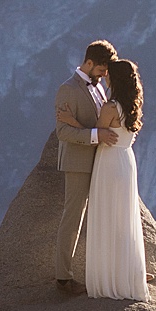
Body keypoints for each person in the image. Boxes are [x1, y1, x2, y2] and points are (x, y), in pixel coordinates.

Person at [52, 41, 121, 293]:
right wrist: (96, 135)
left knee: (108, 215)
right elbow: (63, 131)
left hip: (102, 161)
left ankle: (117, 269)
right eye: (102, 70)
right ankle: (63, 277)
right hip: (78, 163)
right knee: (73, 218)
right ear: (89, 63)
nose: (104, 75)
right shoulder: (67, 89)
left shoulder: (99, 87)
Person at [82, 56, 149, 301]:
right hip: (126, 161)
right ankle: (126, 275)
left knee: (106, 217)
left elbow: (98, 132)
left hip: (108, 162)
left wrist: (69, 122)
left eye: (109, 73)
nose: (105, 76)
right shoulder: (132, 106)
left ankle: (107, 279)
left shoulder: (110, 108)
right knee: (123, 219)